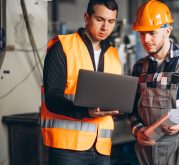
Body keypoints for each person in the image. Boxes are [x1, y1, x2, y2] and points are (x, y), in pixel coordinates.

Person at [128, 0, 179, 165]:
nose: (146, 39)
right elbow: (131, 109)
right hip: (146, 151)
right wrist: (137, 130)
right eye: (142, 33)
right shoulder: (139, 67)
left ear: (167, 31)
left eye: (152, 33)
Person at [40, 0, 121, 164]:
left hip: (101, 147)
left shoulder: (113, 54)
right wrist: (86, 112)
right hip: (67, 149)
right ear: (86, 17)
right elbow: (52, 98)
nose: (105, 27)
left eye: (111, 21)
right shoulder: (63, 47)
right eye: (100, 19)